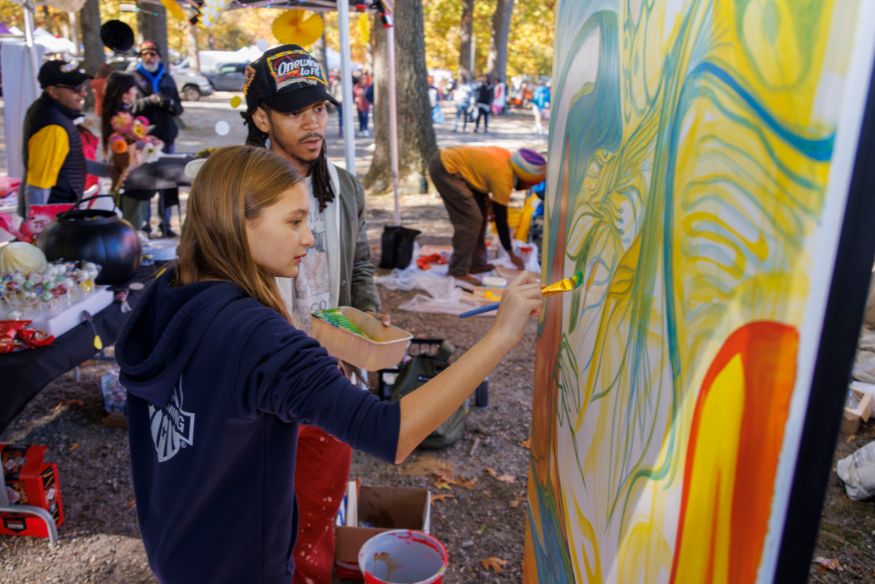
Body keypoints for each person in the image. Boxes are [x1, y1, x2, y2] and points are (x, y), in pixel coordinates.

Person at [115, 144, 541, 584]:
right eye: (295, 221)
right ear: (237, 223)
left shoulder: (168, 290)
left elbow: (220, 391)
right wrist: (501, 336)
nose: (309, 238)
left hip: (175, 547)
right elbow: (390, 433)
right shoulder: (259, 337)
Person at [239, 43, 385, 583]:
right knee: (260, 515)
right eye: (295, 110)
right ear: (260, 117)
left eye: (319, 108)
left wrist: (368, 321)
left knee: (318, 509)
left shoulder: (342, 187)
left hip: (328, 376)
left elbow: (362, 267)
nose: (312, 122)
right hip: (256, 386)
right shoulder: (235, 190)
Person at [429, 146, 547, 286]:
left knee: (481, 216)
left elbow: (480, 176)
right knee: (471, 221)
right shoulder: (504, 176)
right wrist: (511, 254)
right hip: (446, 169)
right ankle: (457, 271)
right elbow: (501, 220)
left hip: (461, 171)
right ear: (524, 178)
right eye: (530, 184)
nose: (528, 188)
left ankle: (475, 264)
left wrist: (488, 206)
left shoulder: (508, 163)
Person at [19, 60, 93, 217]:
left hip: (59, 214)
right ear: (53, 91)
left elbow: (65, 163)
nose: (83, 94)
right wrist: (37, 228)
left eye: (83, 87)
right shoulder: (53, 126)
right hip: (55, 217)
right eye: (76, 89)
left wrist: (107, 170)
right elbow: (38, 187)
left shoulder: (49, 111)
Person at [131, 40, 184, 238]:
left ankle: (166, 224)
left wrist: (168, 102)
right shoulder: (133, 78)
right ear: (140, 57)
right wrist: (149, 101)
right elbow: (128, 109)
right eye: (145, 53)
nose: (149, 57)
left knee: (168, 182)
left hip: (167, 139)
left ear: (159, 57)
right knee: (144, 183)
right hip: (143, 140)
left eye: (153, 53)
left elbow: (179, 109)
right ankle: (144, 225)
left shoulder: (168, 79)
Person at [101, 72, 159, 227]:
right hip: (129, 175)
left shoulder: (116, 113)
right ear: (124, 93)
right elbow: (128, 147)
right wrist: (147, 144)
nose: (135, 91)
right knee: (131, 223)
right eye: (133, 88)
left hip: (124, 175)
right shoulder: (121, 120)